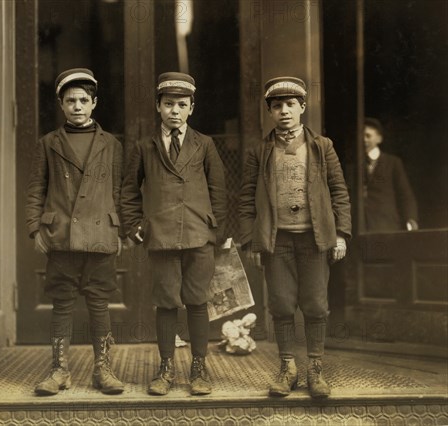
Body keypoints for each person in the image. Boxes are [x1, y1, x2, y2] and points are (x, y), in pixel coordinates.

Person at [238, 76, 351, 399]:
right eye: (277, 106)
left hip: (314, 239)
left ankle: (315, 368)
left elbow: (339, 191)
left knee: (316, 304)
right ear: (269, 112)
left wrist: (341, 234)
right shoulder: (260, 151)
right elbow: (246, 199)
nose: (284, 111)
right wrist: (251, 241)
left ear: (303, 107)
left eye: (290, 105)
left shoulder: (322, 146)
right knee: (281, 304)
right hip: (277, 241)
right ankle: (287, 368)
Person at [121, 72, 227, 396]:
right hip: (162, 235)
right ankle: (165, 368)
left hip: (198, 234)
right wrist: (134, 226)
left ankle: (199, 368)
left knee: (197, 301)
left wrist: (217, 231)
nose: (175, 111)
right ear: (158, 106)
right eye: (169, 104)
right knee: (166, 302)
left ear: (192, 108)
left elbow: (219, 190)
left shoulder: (205, 144)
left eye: (182, 104)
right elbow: (128, 191)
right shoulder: (144, 147)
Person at [26, 68, 125, 396]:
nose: (78, 106)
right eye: (71, 101)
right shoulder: (48, 143)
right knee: (62, 303)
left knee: (99, 303)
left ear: (94, 103)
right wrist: (34, 228)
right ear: (61, 104)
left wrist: (119, 231)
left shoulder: (111, 144)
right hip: (62, 235)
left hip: (99, 236)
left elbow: (120, 189)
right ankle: (59, 370)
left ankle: (103, 369)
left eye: (84, 100)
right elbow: (36, 188)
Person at [363, 117, 418, 232]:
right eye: (361, 136)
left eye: (368, 136)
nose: (364, 140)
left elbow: (405, 194)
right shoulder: (354, 164)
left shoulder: (393, 163)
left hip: (386, 226)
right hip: (362, 227)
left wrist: (411, 219)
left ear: (379, 138)